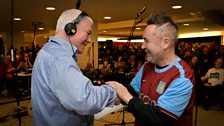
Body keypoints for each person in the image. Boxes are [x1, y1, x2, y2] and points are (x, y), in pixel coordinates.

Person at [31, 9, 118, 126]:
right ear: (70, 29)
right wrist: (113, 92)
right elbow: (85, 99)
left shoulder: (49, 50)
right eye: (87, 33)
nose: (89, 39)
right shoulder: (59, 58)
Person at [107, 13, 195, 126]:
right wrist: (116, 94)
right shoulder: (147, 66)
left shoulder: (182, 76)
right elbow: (133, 91)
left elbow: (160, 119)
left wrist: (125, 96)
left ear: (165, 43)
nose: (142, 46)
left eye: (146, 41)